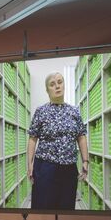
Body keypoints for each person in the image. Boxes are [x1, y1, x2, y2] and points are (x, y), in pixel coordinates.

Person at [27, 71, 88, 210]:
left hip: (69, 168)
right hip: (45, 167)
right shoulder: (41, 111)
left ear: (64, 85)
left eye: (60, 82)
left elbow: (81, 136)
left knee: (66, 207)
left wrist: (85, 161)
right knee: (43, 206)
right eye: (52, 84)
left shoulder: (74, 111)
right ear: (47, 90)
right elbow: (32, 138)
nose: (57, 86)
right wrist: (30, 164)